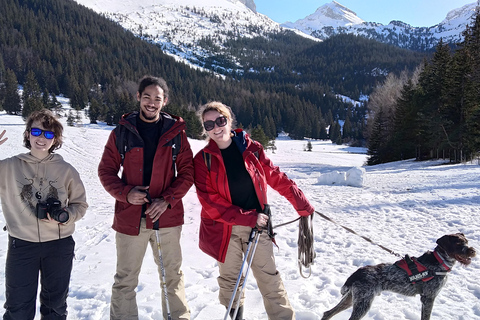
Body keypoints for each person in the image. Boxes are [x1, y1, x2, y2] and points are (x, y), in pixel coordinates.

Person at [193, 101, 315, 320]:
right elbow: (210, 201)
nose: (216, 127)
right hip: (223, 229)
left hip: (257, 228)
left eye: (220, 121)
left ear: (229, 120)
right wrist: (248, 217)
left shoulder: (252, 149)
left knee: (269, 278)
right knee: (230, 281)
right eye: (209, 124)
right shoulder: (203, 160)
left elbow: (275, 176)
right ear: (205, 129)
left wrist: (302, 205)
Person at [98, 75, 193, 320]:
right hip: (131, 219)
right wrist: (126, 194)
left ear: (165, 102)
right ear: (138, 97)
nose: (152, 103)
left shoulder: (176, 134)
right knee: (125, 281)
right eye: (147, 97)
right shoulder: (122, 133)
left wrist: (168, 199)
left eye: (157, 99)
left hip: (167, 219)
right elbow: (106, 171)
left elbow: (187, 172)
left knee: (172, 278)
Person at [0, 109, 88, 319]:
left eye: (48, 134)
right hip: (21, 245)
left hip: (59, 245)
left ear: (55, 139)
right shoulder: (8, 167)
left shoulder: (66, 170)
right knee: (17, 309)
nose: (41, 138)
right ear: (28, 134)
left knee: (55, 307)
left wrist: (67, 216)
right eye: (37, 131)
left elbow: (80, 204)